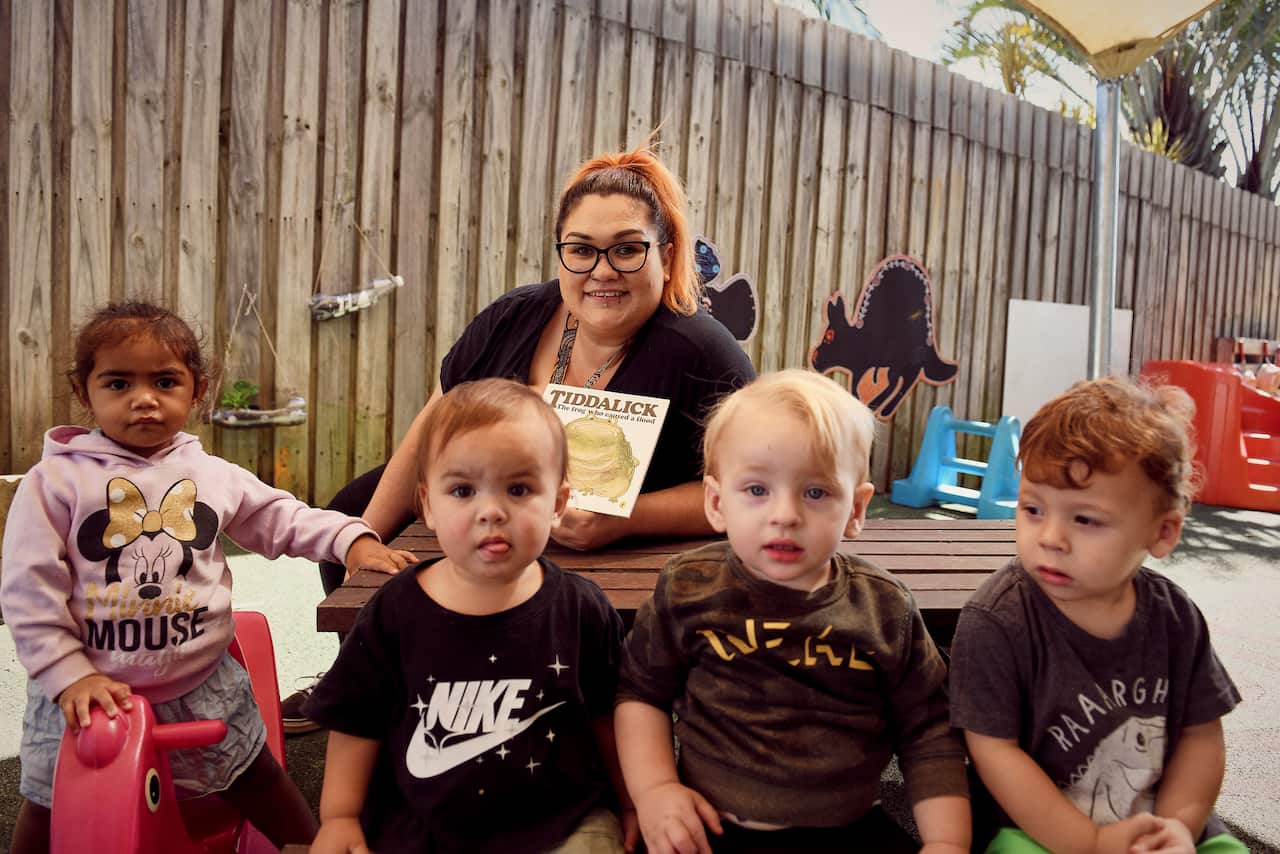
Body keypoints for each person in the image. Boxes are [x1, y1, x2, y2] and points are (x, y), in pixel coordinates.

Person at [283, 142, 755, 731]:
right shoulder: (517, 315)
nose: (602, 271)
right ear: (561, 254)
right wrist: (365, 547)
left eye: (627, 250)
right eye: (581, 250)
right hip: (499, 501)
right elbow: (435, 424)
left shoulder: (705, 353)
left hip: (623, 551)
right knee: (352, 508)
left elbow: (748, 491)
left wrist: (628, 517)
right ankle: (361, 674)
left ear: (665, 252)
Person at [0, 302, 410, 853]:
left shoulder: (210, 475)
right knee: (50, 801)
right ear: (84, 390)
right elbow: (29, 591)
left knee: (255, 776)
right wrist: (68, 674)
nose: (143, 399)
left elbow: (280, 516)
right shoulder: (54, 484)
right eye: (118, 382)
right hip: (83, 691)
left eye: (165, 381)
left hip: (200, 681)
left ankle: (314, 844)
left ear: (197, 390)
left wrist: (349, 539)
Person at [614, 369, 971, 854]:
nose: (785, 514)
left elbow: (928, 730)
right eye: (757, 490)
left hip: (849, 829)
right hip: (709, 828)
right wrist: (654, 791)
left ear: (856, 510)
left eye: (816, 492)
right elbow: (641, 695)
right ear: (717, 503)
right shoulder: (688, 588)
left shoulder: (883, 607)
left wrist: (947, 841)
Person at [303, 378, 634, 853]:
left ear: (558, 503)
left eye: (519, 488)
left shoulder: (582, 608)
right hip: (423, 824)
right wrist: (339, 816)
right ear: (427, 506)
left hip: (563, 822)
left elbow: (610, 717)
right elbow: (357, 719)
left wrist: (632, 803)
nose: (491, 511)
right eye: (462, 491)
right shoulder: (394, 612)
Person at [948, 377, 1245, 854]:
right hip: (1034, 831)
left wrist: (1178, 827)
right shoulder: (997, 620)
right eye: (1032, 509)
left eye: (1084, 519)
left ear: (1163, 531)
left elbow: (1201, 735)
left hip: (1154, 816)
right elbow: (993, 751)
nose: (1050, 537)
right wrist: (1089, 842)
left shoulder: (1176, 618)